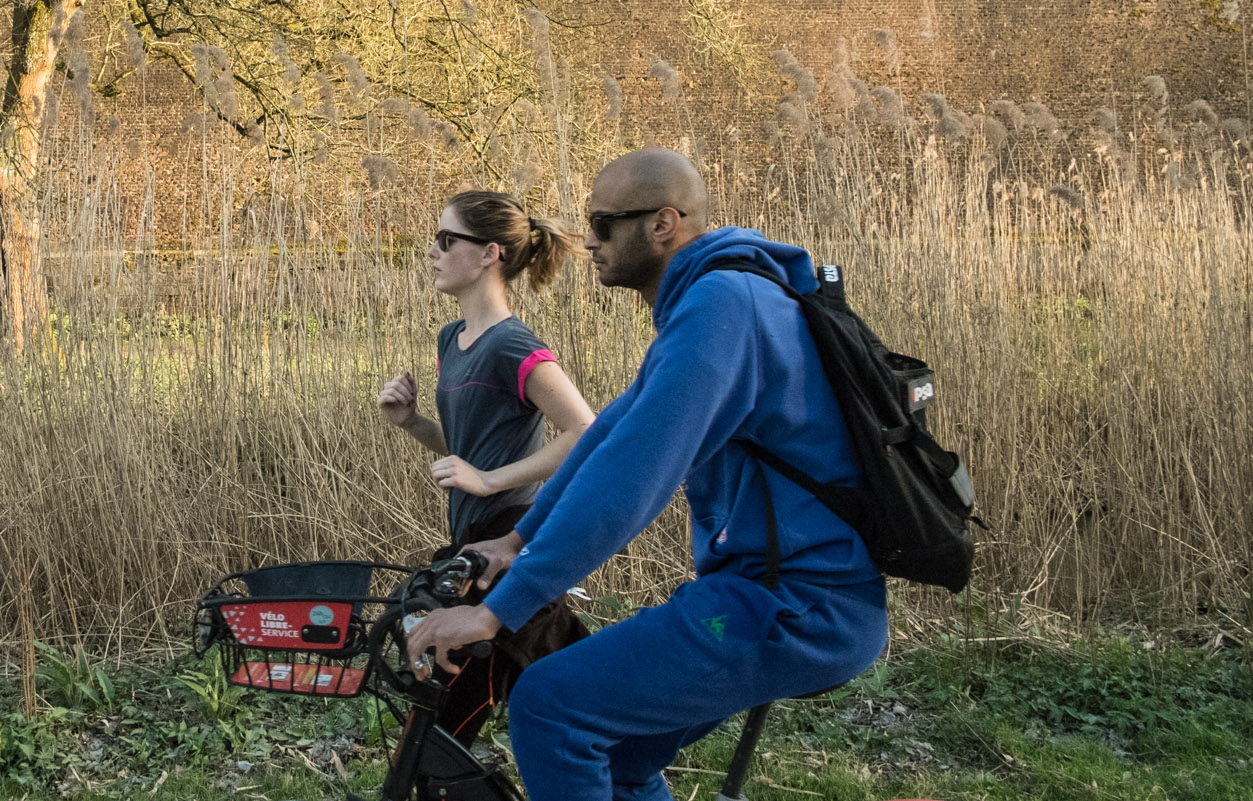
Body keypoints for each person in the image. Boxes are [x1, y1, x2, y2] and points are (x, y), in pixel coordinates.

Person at [405, 148, 889, 801]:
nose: (589, 242)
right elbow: (609, 434)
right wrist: (515, 543)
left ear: (664, 224)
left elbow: (630, 482)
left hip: (792, 605)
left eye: (604, 224)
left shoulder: (722, 308)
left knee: (551, 704)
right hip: (769, 594)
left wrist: (497, 612)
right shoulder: (721, 295)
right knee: (622, 757)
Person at [377, 190, 596, 747]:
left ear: (488, 254)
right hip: (472, 544)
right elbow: (471, 445)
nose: (432, 250)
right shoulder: (452, 340)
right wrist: (412, 422)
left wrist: (491, 481)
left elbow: (584, 431)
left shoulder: (512, 344)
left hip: (507, 541)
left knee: (445, 722)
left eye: (448, 239)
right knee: (550, 694)